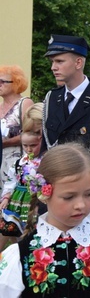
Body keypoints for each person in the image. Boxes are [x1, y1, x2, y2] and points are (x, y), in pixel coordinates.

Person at [0, 143, 90, 296]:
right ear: (44, 194)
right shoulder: (20, 256)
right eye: (69, 197)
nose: (80, 205)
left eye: (89, 194)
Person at [42, 34, 90, 233]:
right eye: (52, 62)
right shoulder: (53, 98)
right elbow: (47, 149)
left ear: (78, 62)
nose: (53, 67)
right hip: (55, 199)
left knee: (86, 261)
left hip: (85, 200)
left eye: (59, 61)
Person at [0, 104, 44, 243]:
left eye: (33, 145)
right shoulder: (20, 162)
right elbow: (11, 179)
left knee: (32, 229)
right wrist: (6, 196)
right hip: (18, 199)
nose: (29, 149)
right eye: (25, 146)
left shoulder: (44, 160)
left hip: (34, 199)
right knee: (13, 228)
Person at [0, 65, 34, 184]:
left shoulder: (25, 103)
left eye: (2, 81)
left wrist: (4, 143)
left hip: (16, 163)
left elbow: (31, 134)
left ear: (16, 82)